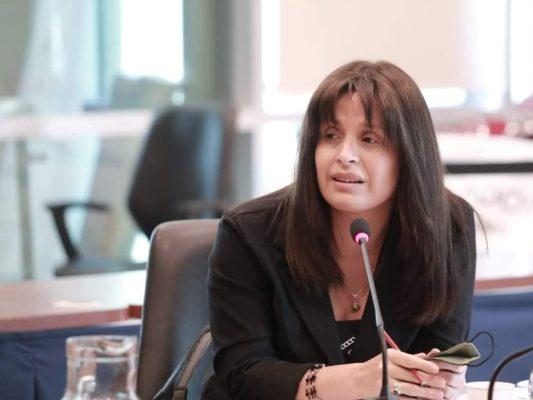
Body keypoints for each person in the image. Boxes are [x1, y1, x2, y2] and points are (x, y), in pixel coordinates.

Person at [203, 60, 477, 400]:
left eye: (369, 139)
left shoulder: (447, 228)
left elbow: (439, 355)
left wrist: (439, 381)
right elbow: (241, 376)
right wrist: (356, 380)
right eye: (330, 136)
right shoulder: (249, 233)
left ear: (409, 153)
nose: (344, 155)